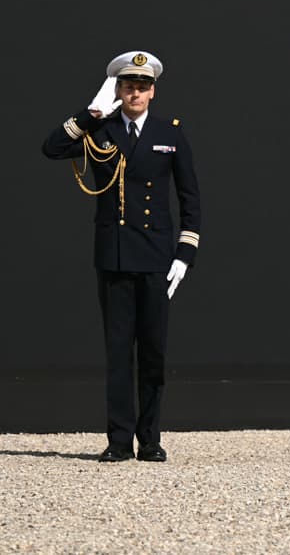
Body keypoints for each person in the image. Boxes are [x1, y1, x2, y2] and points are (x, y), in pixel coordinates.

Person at [42, 51, 201, 462]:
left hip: (155, 257)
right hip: (113, 255)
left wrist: (185, 253)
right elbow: (52, 148)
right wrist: (90, 113)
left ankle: (149, 439)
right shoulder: (100, 129)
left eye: (142, 86)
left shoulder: (171, 132)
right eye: (127, 86)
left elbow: (189, 199)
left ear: (153, 91)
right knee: (117, 353)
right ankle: (118, 440)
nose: (135, 92)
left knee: (152, 351)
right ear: (119, 89)